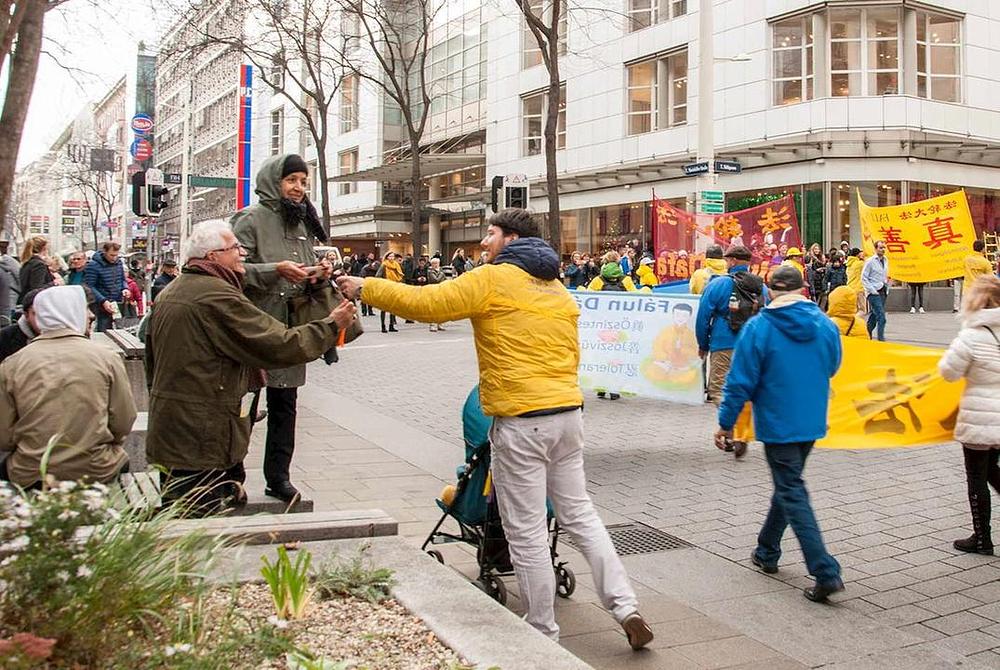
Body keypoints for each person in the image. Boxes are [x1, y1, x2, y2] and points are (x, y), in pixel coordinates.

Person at [336, 208, 654, 650]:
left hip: (522, 422)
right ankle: (625, 607)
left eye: (490, 234)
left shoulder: (493, 279)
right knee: (580, 516)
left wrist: (365, 286)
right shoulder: (559, 289)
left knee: (524, 529)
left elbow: (427, 304)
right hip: (568, 414)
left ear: (511, 238)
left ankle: (541, 630)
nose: (484, 243)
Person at [145, 221, 355, 514]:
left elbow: (151, 365)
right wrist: (332, 324)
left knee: (182, 515)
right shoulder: (216, 296)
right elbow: (278, 343)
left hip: (177, 431)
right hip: (202, 439)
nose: (241, 253)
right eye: (234, 249)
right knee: (200, 524)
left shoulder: (175, 291)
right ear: (212, 257)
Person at [715, 266, 844, 602]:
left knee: (791, 488)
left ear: (769, 291)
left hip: (777, 421)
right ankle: (767, 550)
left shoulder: (759, 327)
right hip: (812, 418)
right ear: (802, 289)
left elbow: (740, 381)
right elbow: (833, 365)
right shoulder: (824, 325)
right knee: (789, 485)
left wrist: (725, 422)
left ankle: (824, 569)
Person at [231, 153, 335, 503]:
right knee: (243, 405)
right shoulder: (249, 219)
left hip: (292, 329)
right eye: (292, 180)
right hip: (255, 326)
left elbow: (301, 271)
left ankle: (278, 477)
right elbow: (232, 271)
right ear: (273, 182)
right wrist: (275, 269)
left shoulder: (302, 224)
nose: (298, 188)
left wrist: (316, 273)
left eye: (304, 182)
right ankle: (232, 478)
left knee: (285, 406)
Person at [0, 285, 136, 490]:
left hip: (33, 471)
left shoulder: (13, 363)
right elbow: (123, 421)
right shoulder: (106, 358)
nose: (90, 315)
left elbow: (4, 434)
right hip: (97, 467)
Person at [938, 276, 1000, 555]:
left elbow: (948, 372)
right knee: (991, 470)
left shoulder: (972, 334)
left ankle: (981, 538)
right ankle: (981, 536)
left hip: (979, 419)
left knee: (977, 475)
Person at [696, 245, 766, 459]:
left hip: (724, 342)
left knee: (717, 388)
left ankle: (733, 427)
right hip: (752, 345)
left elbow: (703, 316)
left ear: (733, 261)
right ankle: (742, 426)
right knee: (747, 387)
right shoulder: (761, 287)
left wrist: (703, 344)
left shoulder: (718, 284)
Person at [84, 241, 129, 332]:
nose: (114, 258)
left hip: (116, 303)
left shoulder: (119, 263)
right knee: (103, 330)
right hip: (100, 305)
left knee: (119, 330)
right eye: (111, 255)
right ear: (104, 251)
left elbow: (122, 279)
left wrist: (125, 288)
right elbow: (90, 286)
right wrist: (103, 300)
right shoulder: (93, 265)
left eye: (116, 255)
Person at [0, 287, 45, 363]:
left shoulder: (64, 336)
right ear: (26, 315)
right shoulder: (6, 337)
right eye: (36, 313)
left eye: (47, 314)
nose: (43, 318)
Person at [861, 240, 890, 341]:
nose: (883, 250)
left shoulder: (885, 260)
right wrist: (872, 290)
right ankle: (881, 339)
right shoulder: (870, 261)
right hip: (873, 292)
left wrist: (887, 283)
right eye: (881, 248)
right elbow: (864, 277)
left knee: (874, 314)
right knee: (881, 316)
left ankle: (866, 333)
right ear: (876, 248)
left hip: (883, 290)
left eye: (884, 248)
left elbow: (884, 275)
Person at [958, 241, 995, 314]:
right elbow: (990, 278)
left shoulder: (966, 259)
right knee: (979, 313)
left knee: (967, 313)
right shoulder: (985, 262)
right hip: (979, 291)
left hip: (967, 289)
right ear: (983, 249)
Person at [17, 236, 54, 302]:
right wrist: (54, 283)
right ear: (44, 248)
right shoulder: (39, 265)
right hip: (34, 304)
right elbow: (37, 288)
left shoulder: (27, 262)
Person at [375, 252, 403, 332]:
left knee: (393, 308)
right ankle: (383, 326)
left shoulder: (397, 265)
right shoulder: (384, 265)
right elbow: (377, 276)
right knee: (383, 308)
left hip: (394, 287)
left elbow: (400, 275)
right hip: (386, 287)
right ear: (387, 257)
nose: (392, 258)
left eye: (393, 256)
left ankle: (391, 325)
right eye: (390, 256)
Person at [0, 240, 19, 323]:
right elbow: (19, 275)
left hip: (9, 297)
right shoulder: (9, 262)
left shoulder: (8, 261)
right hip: (10, 297)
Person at [426, 257, 446, 332]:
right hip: (433, 291)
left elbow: (445, 280)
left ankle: (440, 324)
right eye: (434, 263)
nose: (436, 265)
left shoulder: (440, 271)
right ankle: (432, 325)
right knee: (433, 309)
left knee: (441, 309)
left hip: (441, 291)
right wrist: (441, 274)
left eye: (437, 263)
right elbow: (435, 280)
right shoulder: (430, 271)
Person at [846, 247, 865, 314]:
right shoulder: (859, 264)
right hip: (858, 288)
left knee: (854, 309)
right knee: (862, 310)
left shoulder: (848, 264)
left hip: (850, 288)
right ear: (858, 254)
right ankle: (855, 321)